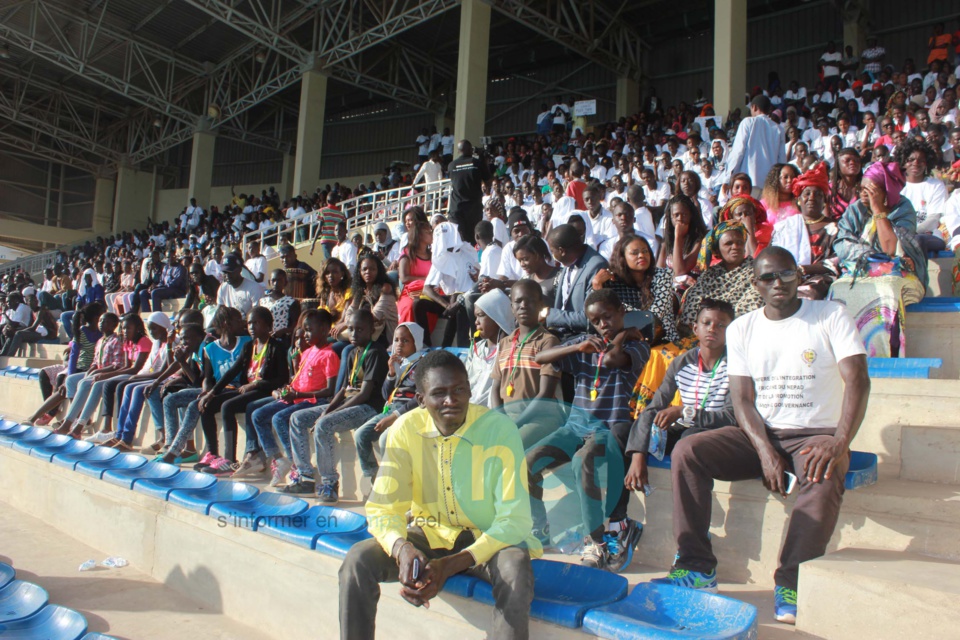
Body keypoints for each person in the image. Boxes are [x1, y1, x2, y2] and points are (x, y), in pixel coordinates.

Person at [653, 246, 869, 627]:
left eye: (786, 274)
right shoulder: (742, 328)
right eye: (767, 277)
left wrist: (840, 440)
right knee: (688, 450)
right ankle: (697, 566)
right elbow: (742, 399)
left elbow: (858, 381)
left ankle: (791, 581)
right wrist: (765, 450)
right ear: (755, 284)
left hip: (814, 435)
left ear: (798, 276)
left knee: (823, 474)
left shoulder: (830, 315)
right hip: (758, 434)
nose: (778, 283)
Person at [341, 350, 538, 640]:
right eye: (439, 393)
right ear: (420, 399)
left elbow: (515, 519)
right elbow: (384, 508)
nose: (451, 400)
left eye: (459, 390)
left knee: (515, 570)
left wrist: (451, 564)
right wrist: (403, 550)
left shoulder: (499, 430)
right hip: (430, 533)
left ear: (470, 390)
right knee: (357, 559)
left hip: (490, 538)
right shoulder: (405, 430)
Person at [526, 289, 649, 572]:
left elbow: (611, 360)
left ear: (621, 312)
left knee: (584, 461)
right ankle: (539, 528)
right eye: (595, 321)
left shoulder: (636, 346)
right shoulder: (584, 342)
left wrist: (622, 335)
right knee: (529, 461)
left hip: (608, 428)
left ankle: (595, 542)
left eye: (608, 317)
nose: (602, 324)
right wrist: (574, 347)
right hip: (576, 426)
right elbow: (541, 358)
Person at [624, 298, 737, 494]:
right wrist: (638, 455)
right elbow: (654, 408)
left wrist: (686, 412)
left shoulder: (736, 364)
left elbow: (731, 417)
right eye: (706, 323)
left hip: (717, 435)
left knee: (688, 438)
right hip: (687, 427)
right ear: (695, 328)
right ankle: (620, 518)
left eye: (721, 325)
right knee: (622, 432)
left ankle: (694, 496)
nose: (712, 329)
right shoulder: (681, 362)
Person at [284, 309, 389, 502]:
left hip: (367, 407)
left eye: (359, 329)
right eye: (350, 329)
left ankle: (329, 483)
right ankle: (306, 476)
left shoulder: (376, 352)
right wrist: (327, 410)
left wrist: (328, 416)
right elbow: (342, 390)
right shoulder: (351, 352)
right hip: (349, 403)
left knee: (324, 425)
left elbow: (364, 394)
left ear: (371, 330)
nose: (354, 334)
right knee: (297, 418)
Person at [830, 161, 927, 357]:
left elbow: (891, 248)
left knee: (887, 291)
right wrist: (871, 256)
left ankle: (884, 352)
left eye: (871, 189)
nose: (864, 193)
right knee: (837, 289)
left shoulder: (903, 209)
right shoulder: (855, 209)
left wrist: (878, 210)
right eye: (862, 188)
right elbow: (842, 245)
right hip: (862, 270)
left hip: (901, 274)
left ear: (886, 191)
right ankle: (846, 354)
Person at [243, 309, 339, 485]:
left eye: (309, 330)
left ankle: (296, 463)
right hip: (297, 396)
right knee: (257, 414)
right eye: (304, 330)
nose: (306, 334)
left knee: (280, 418)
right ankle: (279, 459)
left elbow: (330, 390)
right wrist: (285, 391)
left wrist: (299, 394)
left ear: (325, 330)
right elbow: (298, 380)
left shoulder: (329, 355)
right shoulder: (308, 352)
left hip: (313, 400)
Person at [159, 307, 251, 465]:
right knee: (171, 399)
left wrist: (211, 393)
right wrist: (207, 390)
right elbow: (207, 378)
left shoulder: (246, 342)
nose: (242, 322)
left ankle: (176, 452)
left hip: (237, 388)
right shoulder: (210, 349)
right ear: (226, 323)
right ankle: (170, 445)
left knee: (197, 404)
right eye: (238, 320)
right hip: (217, 388)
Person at [490, 281, 562, 449]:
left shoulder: (548, 341)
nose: (523, 305)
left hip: (540, 418)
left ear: (541, 305)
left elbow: (545, 394)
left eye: (530, 301)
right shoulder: (505, 343)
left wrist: (515, 424)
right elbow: (495, 388)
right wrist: (501, 419)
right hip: (509, 417)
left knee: (509, 448)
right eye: (518, 301)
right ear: (511, 307)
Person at [352, 322, 425, 483]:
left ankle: (396, 481)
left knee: (386, 438)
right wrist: (391, 372)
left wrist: (395, 416)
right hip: (390, 408)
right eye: (397, 340)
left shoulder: (422, 364)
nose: (399, 345)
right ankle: (375, 477)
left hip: (408, 412)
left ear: (416, 342)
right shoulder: (398, 362)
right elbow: (386, 394)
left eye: (405, 341)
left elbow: (419, 397)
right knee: (360, 435)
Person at [592, 234, 680, 344]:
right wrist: (597, 286)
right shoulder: (611, 283)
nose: (641, 255)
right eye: (635, 253)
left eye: (645, 251)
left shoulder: (663, 275)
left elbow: (651, 317)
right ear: (622, 257)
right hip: (626, 343)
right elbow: (598, 317)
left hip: (662, 341)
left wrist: (609, 301)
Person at [678, 222, 764, 333]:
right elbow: (693, 304)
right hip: (704, 335)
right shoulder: (709, 275)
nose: (735, 247)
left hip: (741, 334)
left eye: (739, 242)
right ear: (718, 249)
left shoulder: (757, 270)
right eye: (729, 243)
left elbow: (753, 304)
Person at [771, 162, 841, 300]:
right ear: (798, 200)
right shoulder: (785, 227)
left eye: (818, 194)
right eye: (807, 193)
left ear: (824, 201)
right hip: (785, 277)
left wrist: (804, 270)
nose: (812, 198)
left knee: (810, 293)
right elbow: (774, 255)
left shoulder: (835, 228)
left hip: (820, 280)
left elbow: (838, 260)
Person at [544, 224, 609, 337]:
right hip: (562, 333)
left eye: (552, 251)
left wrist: (551, 315)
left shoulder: (596, 266)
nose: (552, 255)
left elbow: (591, 319)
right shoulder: (568, 261)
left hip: (584, 338)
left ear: (562, 251)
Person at [896, 137, 953, 254]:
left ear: (927, 163)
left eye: (921, 160)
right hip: (898, 235)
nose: (915, 163)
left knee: (917, 240)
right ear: (903, 161)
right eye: (910, 159)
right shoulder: (895, 185)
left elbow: (934, 219)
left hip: (929, 235)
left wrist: (910, 233)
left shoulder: (935, 185)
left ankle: (917, 272)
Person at [726, 95, 788, 197]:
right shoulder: (778, 129)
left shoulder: (748, 122)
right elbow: (782, 159)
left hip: (748, 182)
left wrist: (728, 178)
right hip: (769, 184)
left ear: (754, 107)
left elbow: (738, 152)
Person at [468, 288, 514, 407]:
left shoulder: (511, 349)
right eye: (475, 317)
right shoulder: (476, 348)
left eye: (481, 316)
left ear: (497, 317)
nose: (476, 322)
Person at [447, 140, 491, 244]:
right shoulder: (477, 163)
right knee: (473, 241)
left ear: (458, 151)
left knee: (457, 241)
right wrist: (482, 159)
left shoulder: (451, 165)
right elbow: (488, 181)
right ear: (471, 149)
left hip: (456, 209)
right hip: (473, 209)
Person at [257, 269, 301, 345]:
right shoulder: (262, 301)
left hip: (282, 340)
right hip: (265, 339)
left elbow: (295, 325)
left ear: (285, 283)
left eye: (280, 280)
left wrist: (283, 331)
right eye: (273, 280)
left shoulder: (291, 302)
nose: (276, 283)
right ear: (269, 282)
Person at [512, 234, 560, 301]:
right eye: (519, 261)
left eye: (525, 259)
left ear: (537, 255)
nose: (522, 264)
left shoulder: (560, 277)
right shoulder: (526, 280)